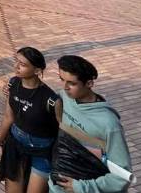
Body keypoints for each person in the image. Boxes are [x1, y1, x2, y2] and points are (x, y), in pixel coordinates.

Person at [49, 55, 132, 193]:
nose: (65, 87)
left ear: (89, 83)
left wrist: (81, 187)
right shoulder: (65, 97)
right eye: (62, 80)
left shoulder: (109, 123)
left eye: (72, 83)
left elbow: (122, 177)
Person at [0, 47, 60, 193]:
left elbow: (62, 130)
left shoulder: (51, 100)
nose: (16, 66)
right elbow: (9, 116)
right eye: (16, 61)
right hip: (16, 146)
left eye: (23, 64)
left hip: (42, 152)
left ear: (37, 71)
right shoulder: (13, 84)